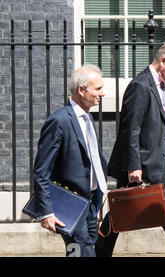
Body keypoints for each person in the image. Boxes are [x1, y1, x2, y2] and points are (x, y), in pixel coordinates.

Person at [96, 42, 165, 257]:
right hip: (145, 162)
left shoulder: (162, 85)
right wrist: (134, 166)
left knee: (122, 209)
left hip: (160, 158)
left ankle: (97, 251)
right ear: (164, 61)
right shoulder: (140, 85)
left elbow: (158, 118)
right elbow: (130, 129)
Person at [32, 64, 107, 257]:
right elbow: (41, 170)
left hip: (91, 200)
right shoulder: (59, 121)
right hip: (70, 203)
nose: (103, 93)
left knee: (84, 249)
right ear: (82, 90)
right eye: (98, 88)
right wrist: (46, 212)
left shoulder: (87, 118)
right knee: (82, 251)